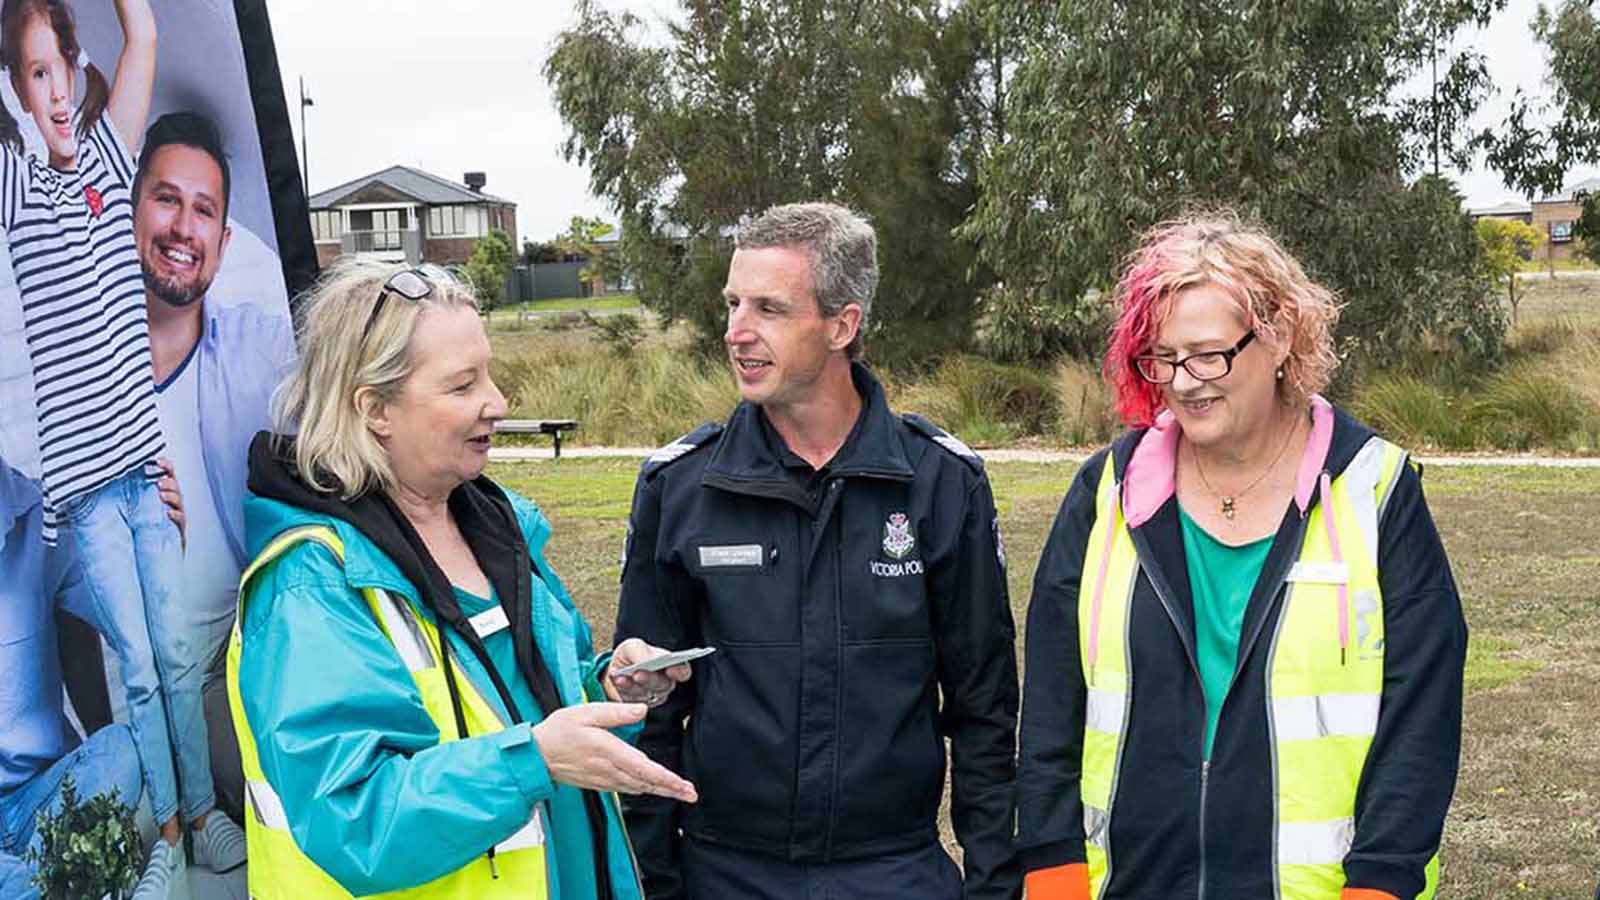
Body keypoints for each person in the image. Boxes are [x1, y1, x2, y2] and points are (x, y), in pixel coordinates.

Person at [1016, 214, 1467, 900]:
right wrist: (1054, 875)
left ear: (1280, 336)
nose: (1184, 382)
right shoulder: (1106, 493)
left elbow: (1422, 722)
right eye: (1163, 358)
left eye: (1208, 354)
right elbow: (1052, 704)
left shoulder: (1375, 491)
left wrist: (1380, 883)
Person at [227, 258, 696, 899]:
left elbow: (516, 700)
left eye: (491, 375)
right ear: (376, 409)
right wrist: (535, 760)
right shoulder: (312, 584)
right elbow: (354, 818)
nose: (496, 404)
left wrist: (609, 686)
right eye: (462, 386)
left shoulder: (498, 527)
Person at [615, 202, 1020, 900]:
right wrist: (654, 884)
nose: (736, 332)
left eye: (769, 308)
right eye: (733, 303)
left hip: (893, 871)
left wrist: (991, 886)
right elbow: (646, 711)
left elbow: (985, 713)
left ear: (843, 324)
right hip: (723, 871)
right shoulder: (679, 488)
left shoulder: (941, 484)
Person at [0, 0, 240, 879]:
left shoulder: (109, 156)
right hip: (88, 495)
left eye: (63, 63)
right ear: (18, 90)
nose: (58, 90)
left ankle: (204, 813)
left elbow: (142, 33)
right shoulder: (16, 189)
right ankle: (172, 836)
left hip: (146, 473)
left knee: (175, 653)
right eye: (35, 73)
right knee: (138, 665)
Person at [133, 109, 296, 829]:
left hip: (225, 670)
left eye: (203, 211)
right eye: (167, 199)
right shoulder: (67, 369)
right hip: (114, 690)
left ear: (223, 242)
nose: (182, 228)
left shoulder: (262, 354)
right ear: (128, 206)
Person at [0, 455, 173, 900]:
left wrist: (160, 538)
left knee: (120, 749)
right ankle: (78, 884)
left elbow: (135, 634)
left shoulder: (42, 516)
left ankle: (54, 884)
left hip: (39, 796)